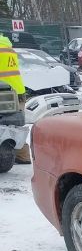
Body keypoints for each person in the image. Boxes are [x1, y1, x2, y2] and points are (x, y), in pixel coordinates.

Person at [0, 35, 30, 164]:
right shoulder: (7, 47)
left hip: (4, 92)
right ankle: (23, 155)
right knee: (15, 125)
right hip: (18, 91)